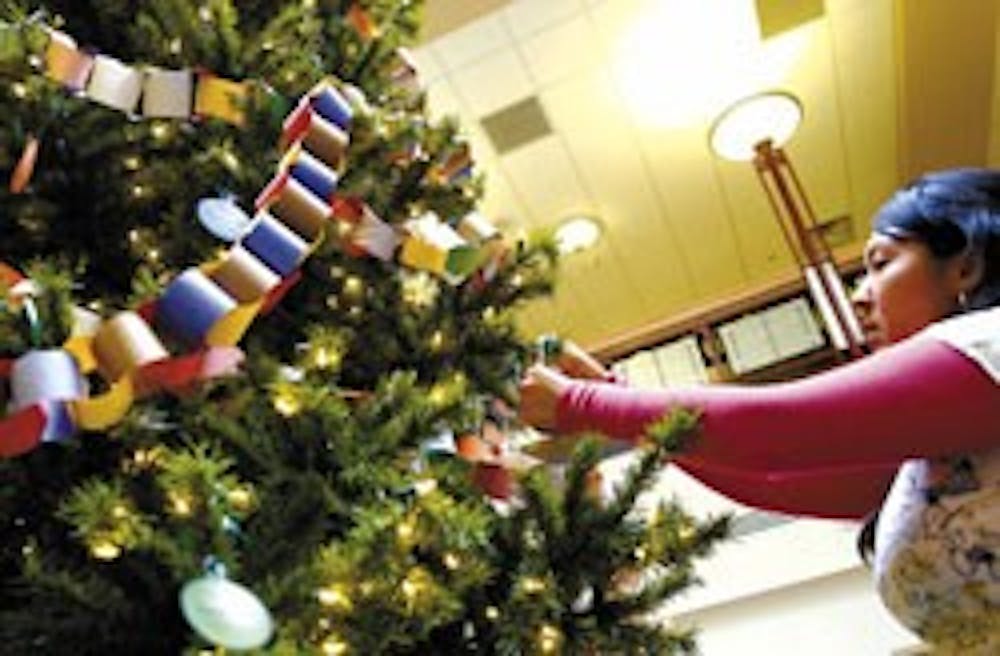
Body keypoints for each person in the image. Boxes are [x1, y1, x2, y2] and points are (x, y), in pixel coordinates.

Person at [518, 168, 1000, 652]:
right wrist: (607, 389)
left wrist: (580, 404)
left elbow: (777, 432)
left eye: (881, 264)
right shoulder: (933, 454)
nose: (859, 295)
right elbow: (775, 479)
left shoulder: (988, 343)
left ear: (965, 267)